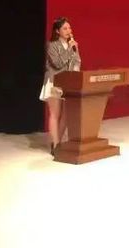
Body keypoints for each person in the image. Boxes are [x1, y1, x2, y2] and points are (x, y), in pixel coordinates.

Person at [39, 17, 81, 154]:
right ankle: (55, 145)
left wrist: (75, 51)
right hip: (54, 82)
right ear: (57, 31)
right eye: (65, 28)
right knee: (55, 113)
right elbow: (58, 63)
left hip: (67, 83)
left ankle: (59, 141)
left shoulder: (72, 45)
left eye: (69, 28)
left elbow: (77, 62)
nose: (69, 31)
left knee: (66, 115)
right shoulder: (52, 45)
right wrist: (69, 49)